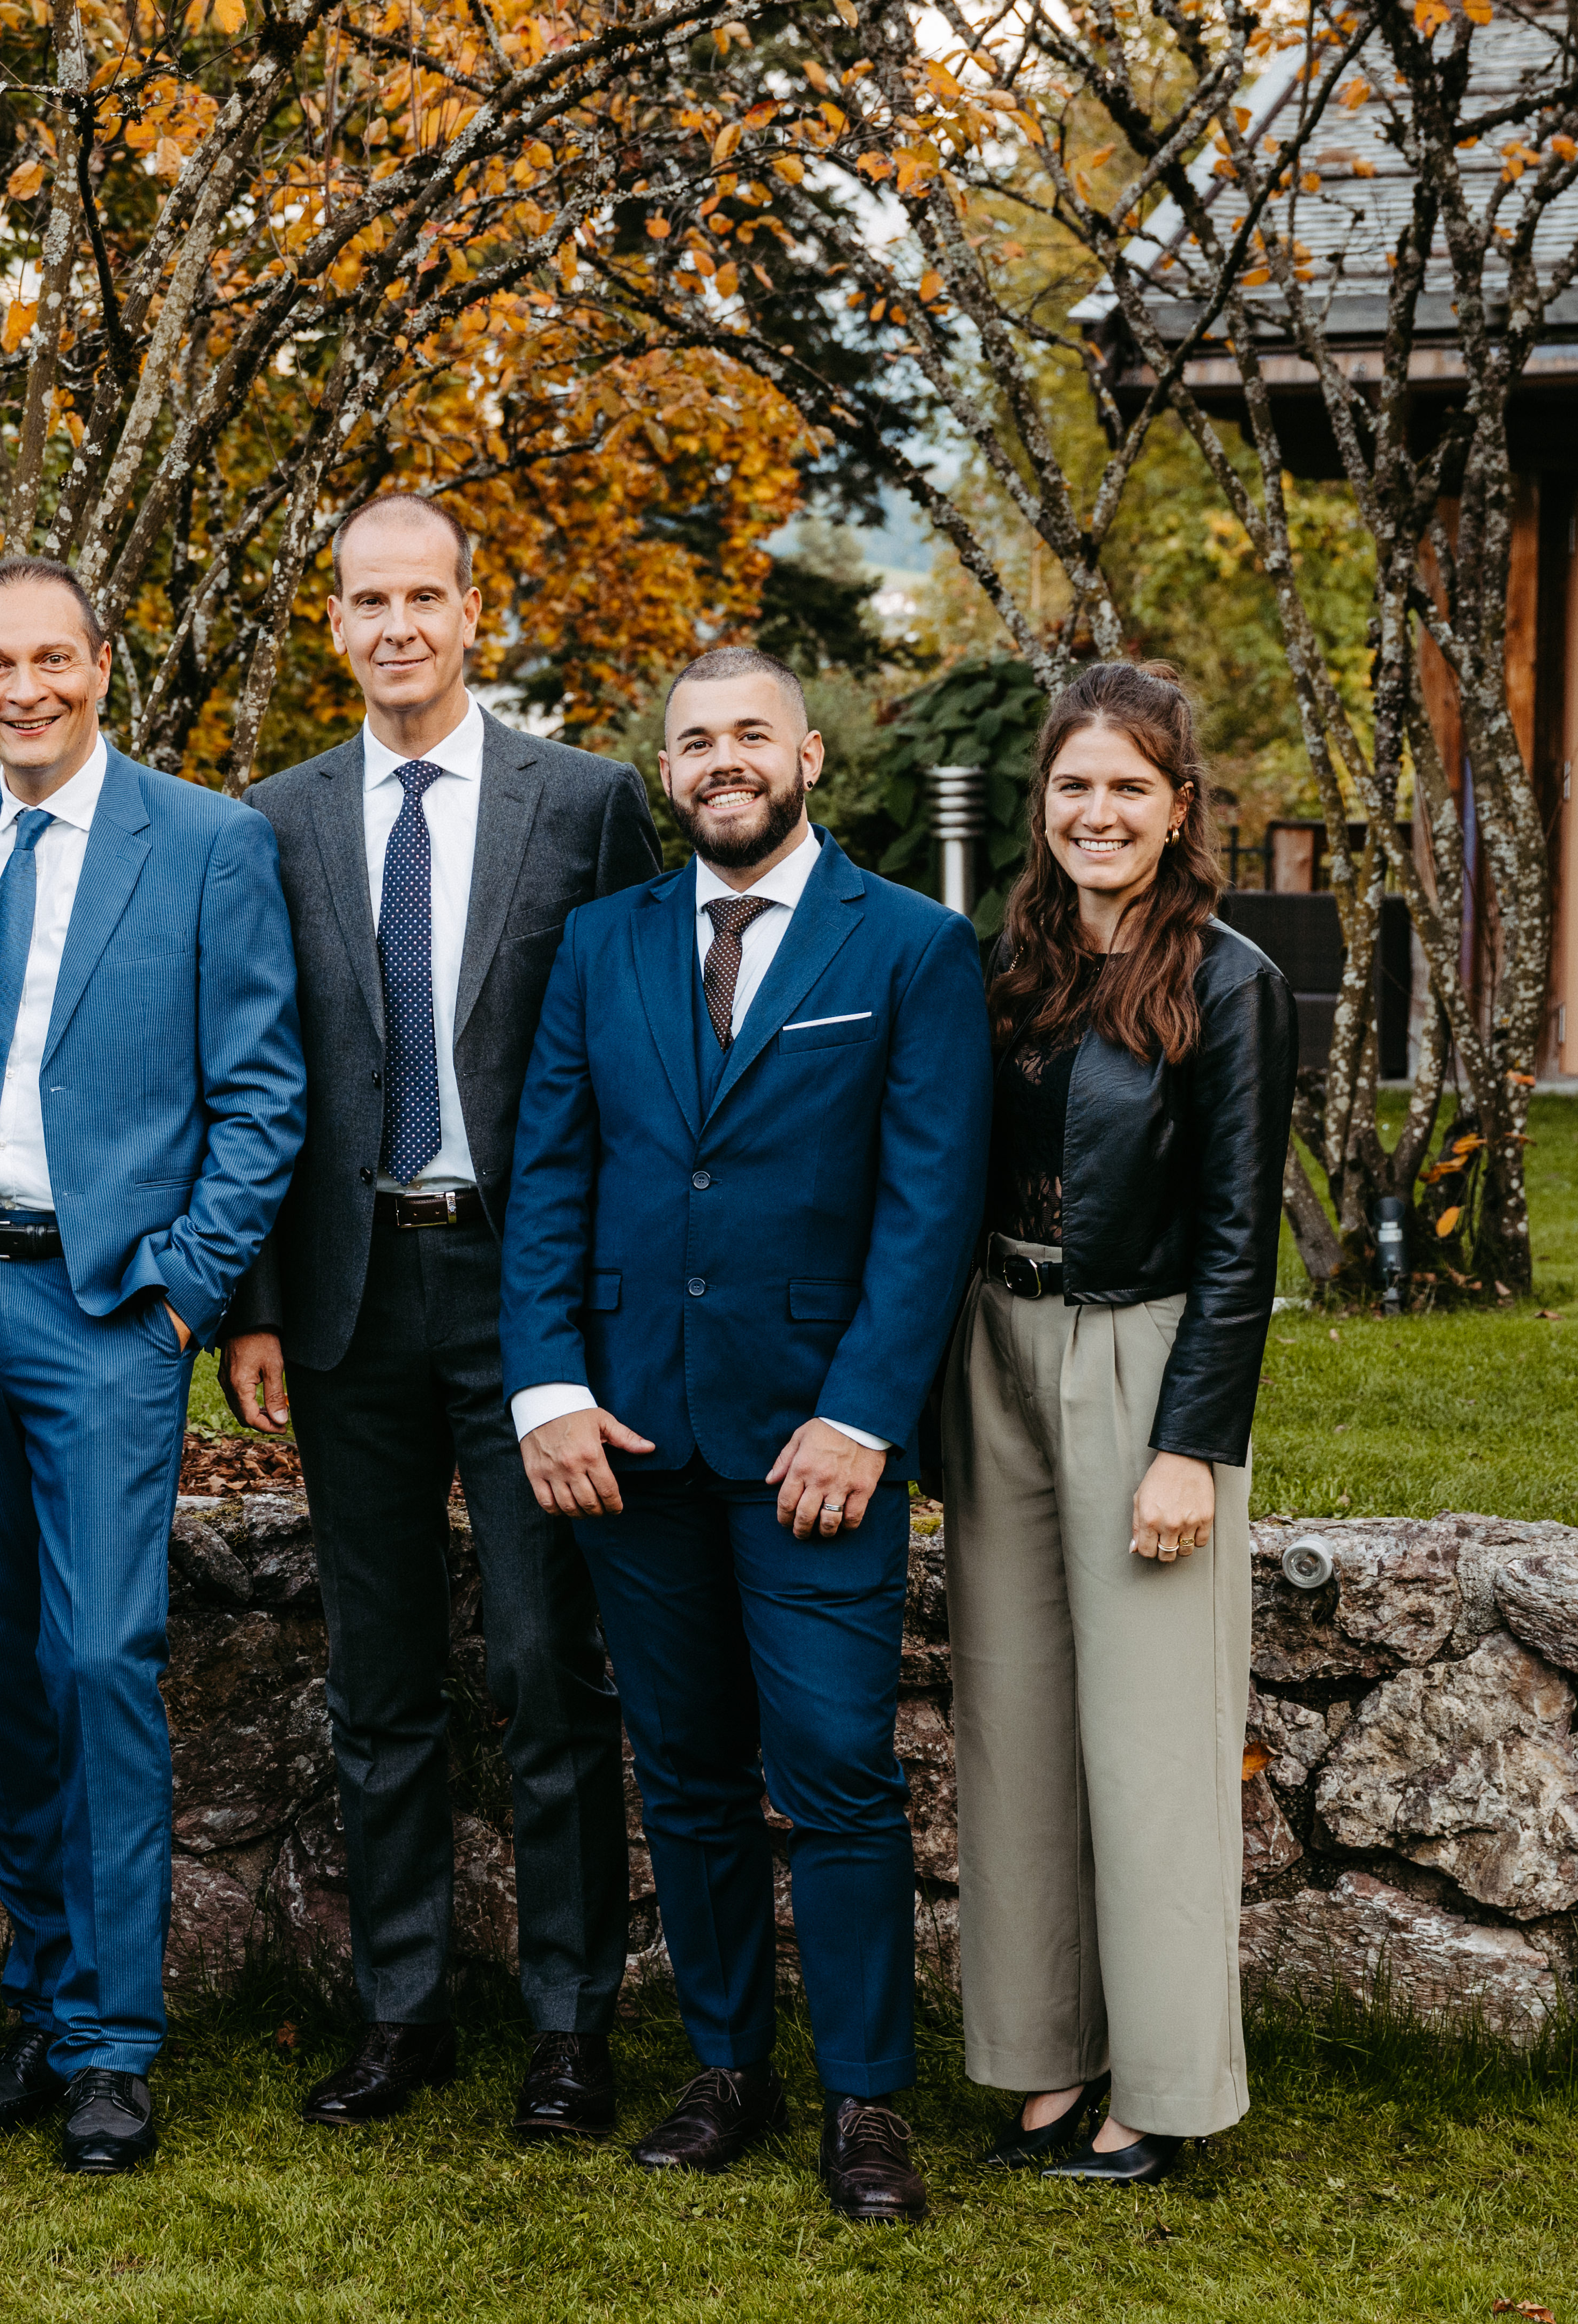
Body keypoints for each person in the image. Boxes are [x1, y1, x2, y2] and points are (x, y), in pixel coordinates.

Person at [502, 644, 989, 2228]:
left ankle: (866, 2101)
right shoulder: (600, 945)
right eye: (695, 739)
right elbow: (552, 1178)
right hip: (630, 1435)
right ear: (670, 766)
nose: (724, 759)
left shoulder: (909, 947)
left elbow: (931, 1210)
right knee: (691, 1771)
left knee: (838, 1771)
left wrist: (862, 1414)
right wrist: (548, 1388)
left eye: (750, 735)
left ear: (811, 756)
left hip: (815, 1449)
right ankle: (728, 2069)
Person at [219, 494, 657, 2138]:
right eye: (364, 600)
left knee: (551, 1667)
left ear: (477, 610)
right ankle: (398, 2013)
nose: (396, 625)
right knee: (379, 1675)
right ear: (333, 624)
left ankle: (569, 2024)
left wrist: (597, 1309)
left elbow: (631, 1058)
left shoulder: (589, 807)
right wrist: (255, 1304)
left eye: (425, 596)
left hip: (524, 1289)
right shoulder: (270, 821)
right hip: (345, 1299)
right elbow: (258, 1082)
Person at [0, 555, 305, 2174]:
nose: (24, 691)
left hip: (106, 1310)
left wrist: (184, 1293)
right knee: (1, 1668)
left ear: (102, 664)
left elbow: (263, 1093)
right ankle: (44, 2007)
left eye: (51, 660)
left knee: (101, 1663)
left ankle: (120, 2047)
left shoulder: (207, 842)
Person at [939, 662, 1292, 2186]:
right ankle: (1038, 2070)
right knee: (1013, 1729)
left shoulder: (1231, 984)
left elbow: (1239, 1241)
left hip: (1147, 1364)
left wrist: (1189, 1445)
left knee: (1150, 1744)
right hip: (994, 1357)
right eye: (1074, 785)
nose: (1098, 812)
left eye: (1129, 787)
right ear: (1044, 805)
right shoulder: (1000, 968)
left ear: (1180, 809)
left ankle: (1156, 2096)